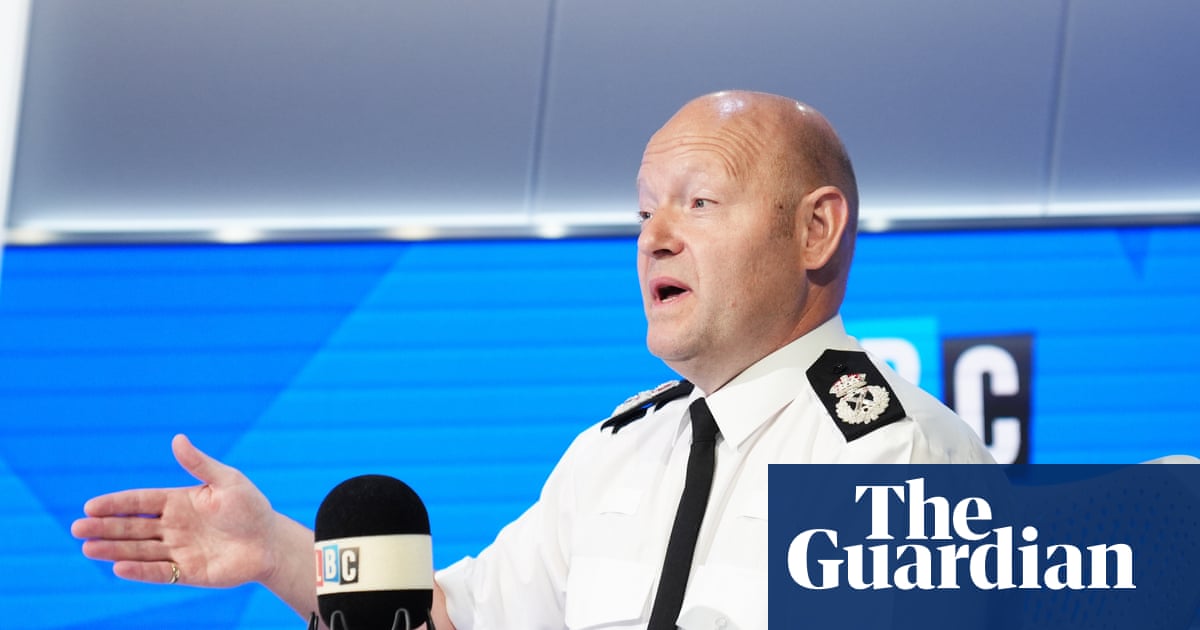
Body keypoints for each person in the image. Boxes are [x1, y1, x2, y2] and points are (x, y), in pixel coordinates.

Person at [71, 90, 994, 629]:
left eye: (700, 203)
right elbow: (454, 619)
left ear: (815, 230)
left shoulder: (894, 453)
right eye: (645, 211)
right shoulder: (616, 453)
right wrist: (273, 548)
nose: (656, 238)